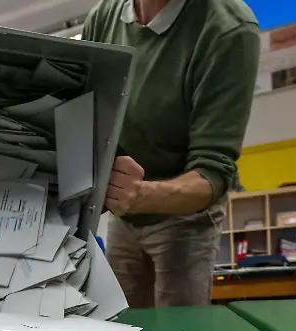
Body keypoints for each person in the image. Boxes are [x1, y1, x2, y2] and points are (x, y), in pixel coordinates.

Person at [83, 0, 260, 307]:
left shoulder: (228, 29)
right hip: (124, 213)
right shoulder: (104, 17)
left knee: (180, 327)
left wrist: (140, 194)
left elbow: (212, 171)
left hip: (186, 215)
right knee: (118, 320)